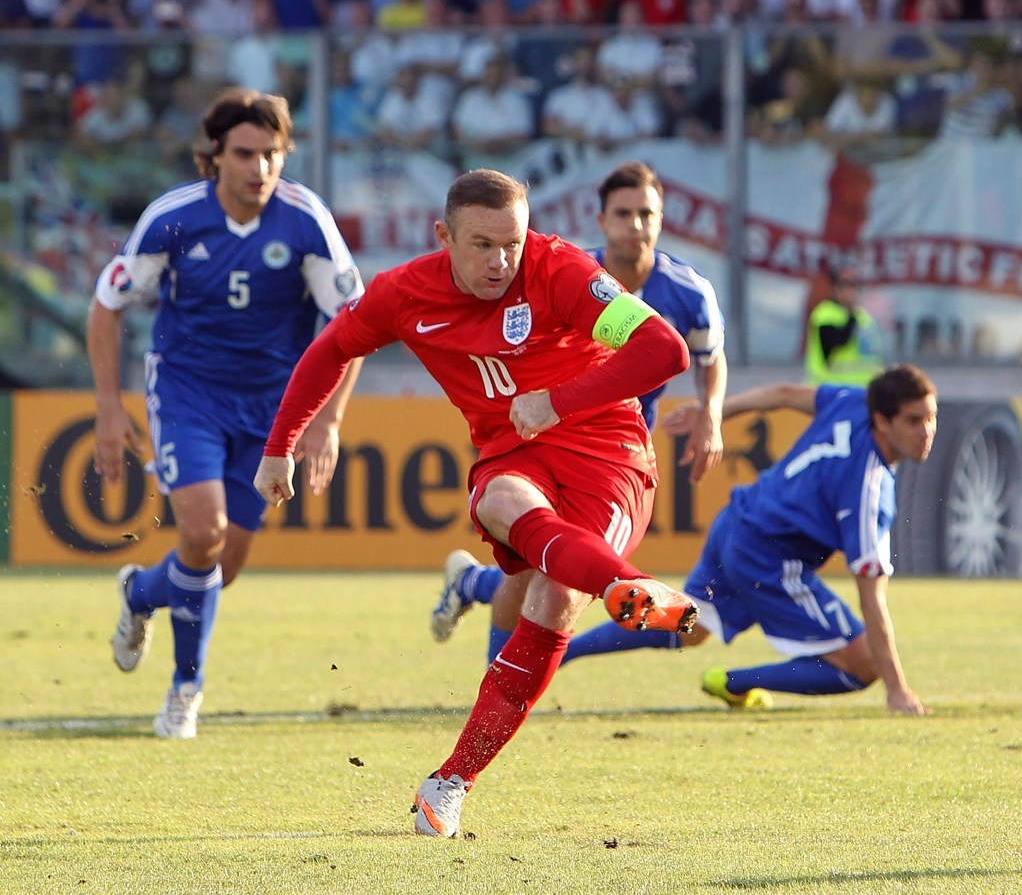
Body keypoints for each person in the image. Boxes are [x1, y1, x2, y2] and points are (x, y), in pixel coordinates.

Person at [253, 168, 698, 838]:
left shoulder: (562, 270)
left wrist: (557, 400)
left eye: (512, 244)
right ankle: (626, 587)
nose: (501, 263)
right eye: (483, 245)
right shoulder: (404, 292)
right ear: (445, 236)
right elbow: (332, 349)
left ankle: (450, 781)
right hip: (513, 450)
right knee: (498, 501)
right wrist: (280, 444)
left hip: (608, 452)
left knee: (551, 598)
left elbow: (665, 349)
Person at [89, 87, 364, 740]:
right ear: (214, 156)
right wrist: (107, 406)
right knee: (204, 531)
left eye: (271, 154)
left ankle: (140, 593)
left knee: (222, 564)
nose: (259, 168)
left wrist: (327, 421)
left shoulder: (306, 221)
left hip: (275, 408)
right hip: (189, 391)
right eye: (244, 153)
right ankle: (186, 689)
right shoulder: (173, 219)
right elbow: (108, 304)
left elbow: (353, 322)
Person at [432, 161, 728, 665]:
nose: (635, 225)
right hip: (548, 437)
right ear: (601, 220)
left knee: (549, 572)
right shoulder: (571, 273)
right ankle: (499, 675)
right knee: (541, 571)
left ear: (661, 220)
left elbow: (709, 356)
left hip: (616, 449)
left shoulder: (689, 291)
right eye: (623, 213)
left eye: (646, 214)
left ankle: (472, 589)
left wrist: (712, 415)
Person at [560, 365, 937, 716]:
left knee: (690, 626)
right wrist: (897, 689)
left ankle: (561, 650)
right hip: (768, 554)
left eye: (931, 417)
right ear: (883, 421)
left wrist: (717, 412)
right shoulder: (869, 490)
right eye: (914, 421)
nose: (926, 431)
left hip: (738, 523)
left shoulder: (853, 402)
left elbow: (786, 393)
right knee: (866, 664)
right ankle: (736, 682)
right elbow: (872, 596)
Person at [805, 260, 884, 385]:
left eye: (855, 284)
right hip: (832, 392)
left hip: (863, 392)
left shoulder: (864, 317)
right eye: (846, 284)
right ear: (834, 288)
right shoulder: (825, 314)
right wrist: (851, 314)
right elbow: (838, 341)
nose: (851, 290)